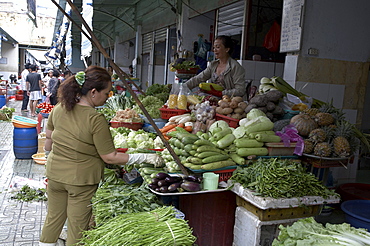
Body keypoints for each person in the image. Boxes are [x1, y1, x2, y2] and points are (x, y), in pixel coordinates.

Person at [39, 66, 163, 246]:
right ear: (93, 92)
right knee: (77, 228)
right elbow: (110, 157)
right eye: (106, 93)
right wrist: (144, 157)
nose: (108, 97)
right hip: (80, 181)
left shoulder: (59, 108)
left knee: (53, 219)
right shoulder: (95, 119)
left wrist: (49, 160)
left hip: (55, 175)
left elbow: (48, 138)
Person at [185, 35, 246, 99]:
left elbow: (240, 90)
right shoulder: (213, 65)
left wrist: (221, 93)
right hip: (213, 99)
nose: (214, 50)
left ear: (227, 49)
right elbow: (198, 78)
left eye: (218, 47)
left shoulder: (235, 67)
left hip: (228, 102)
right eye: (214, 48)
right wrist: (183, 87)